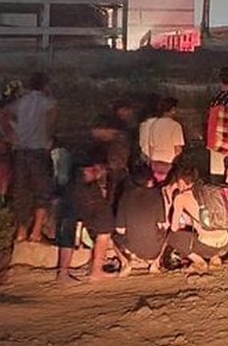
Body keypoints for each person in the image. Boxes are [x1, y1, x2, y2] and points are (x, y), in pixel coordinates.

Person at [55, 147, 119, 281]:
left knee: (68, 234)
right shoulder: (88, 187)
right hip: (82, 209)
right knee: (104, 231)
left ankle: (63, 272)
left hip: (70, 208)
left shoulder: (72, 182)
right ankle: (96, 271)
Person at [10, 72, 58, 243]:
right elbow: (51, 123)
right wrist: (48, 138)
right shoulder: (48, 102)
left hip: (20, 150)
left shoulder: (20, 102)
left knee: (21, 191)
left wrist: (15, 134)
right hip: (39, 150)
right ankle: (36, 231)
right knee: (42, 191)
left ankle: (21, 231)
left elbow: (7, 116)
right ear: (45, 85)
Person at [113, 165, 167, 274]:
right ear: (150, 180)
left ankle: (125, 263)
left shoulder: (126, 196)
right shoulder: (157, 195)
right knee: (167, 235)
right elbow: (162, 224)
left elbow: (120, 229)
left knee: (111, 237)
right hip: (153, 249)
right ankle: (155, 264)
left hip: (131, 247)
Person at [92, 98, 138, 206]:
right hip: (115, 164)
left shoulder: (126, 126)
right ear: (121, 110)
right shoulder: (118, 126)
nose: (130, 113)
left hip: (119, 164)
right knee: (113, 192)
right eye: (128, 110)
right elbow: (97, 133)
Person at [139, 97, 185, 183]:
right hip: (169, 161)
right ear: (173, 109)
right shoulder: (175, 126)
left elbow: (151, 145)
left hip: (155, 160)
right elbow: (178, 149)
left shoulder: (154, 124)